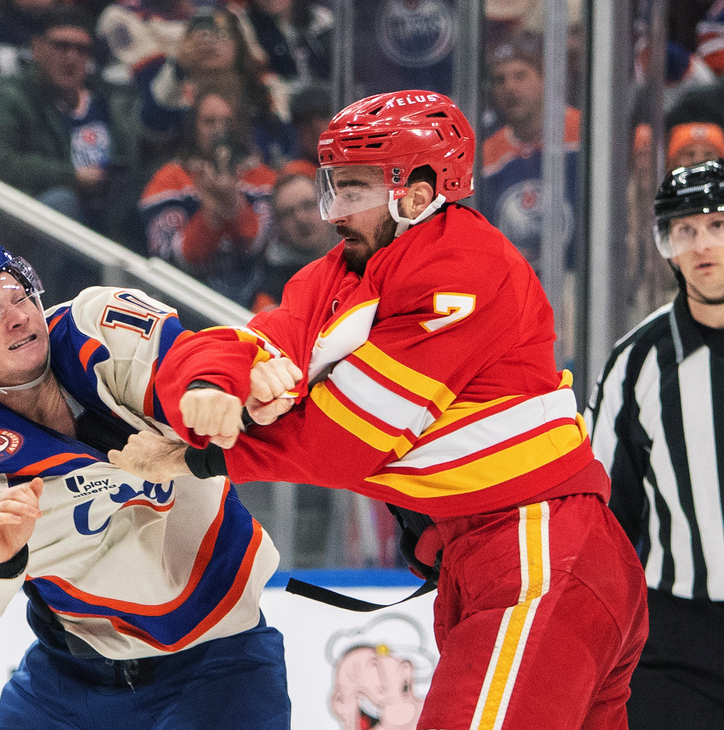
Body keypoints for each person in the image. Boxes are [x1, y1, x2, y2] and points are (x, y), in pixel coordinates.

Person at [110, 89, 650, 729]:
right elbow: (255, 338)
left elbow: (348, 439)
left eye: (356, 188)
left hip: (538, 549)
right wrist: (207, 390)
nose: (335, 211)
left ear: (418, 193)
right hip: (487, 559)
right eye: (331, 186)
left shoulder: (463, 266)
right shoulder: (338, 273)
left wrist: (206, 451)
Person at [0, 237, 289, 728]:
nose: (18, 316)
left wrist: (215, 384)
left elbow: (177, 362)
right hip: (67, 684)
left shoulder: (96, 325)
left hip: (219, 665)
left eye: (19, 296)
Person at [585, 159, 724, 729]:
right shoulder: (636, 361)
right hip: (675, 638)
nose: (701, 243)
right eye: (684, 230)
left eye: (717, 225)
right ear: (666, 245)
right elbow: (604, 512)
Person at [0, 6, 147, 248]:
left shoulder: (109, 99)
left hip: (109, 208)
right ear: (37, 48)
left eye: (81, 50)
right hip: (35, 211)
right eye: (61, 46)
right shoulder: (11, 96)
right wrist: (71, 177)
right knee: (62, 201)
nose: (71, 57)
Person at [139, 81, 276, 307]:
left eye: (227, 121)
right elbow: (172, 263)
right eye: (209, 121)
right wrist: (211, 213)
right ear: (194, 127)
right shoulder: (169, 179)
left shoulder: (262, 177)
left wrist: (233, 203)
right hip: (188, 304)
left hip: (253, 302)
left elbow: (263, 253)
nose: (219, 130)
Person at [135, 7, 294, 167]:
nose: (211, 43)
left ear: (238, 43)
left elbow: (283, 139)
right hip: (188, 176)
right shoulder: (175, 87)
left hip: (258, 175)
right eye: (201, 36)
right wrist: (178, 66)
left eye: (222, 35)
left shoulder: (266, 87)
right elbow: (154, 123)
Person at [481, 30, 579, 275]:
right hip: (514, 288)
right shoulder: (486, 156)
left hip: (579, 284)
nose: (510, 87)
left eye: (520, 76)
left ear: (544, 79)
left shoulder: (584, 133)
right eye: (500, 80)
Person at [251, 172, 335, 312]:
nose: (301, 219)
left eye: (308, 205)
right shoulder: (272, 293)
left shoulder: (362, 249)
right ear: (278, 227)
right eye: (288, 213)